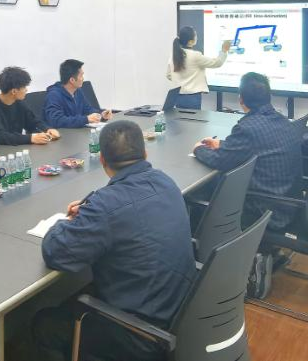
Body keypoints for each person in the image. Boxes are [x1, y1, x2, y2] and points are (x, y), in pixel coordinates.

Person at [33, 120, 196, 361]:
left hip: (139, 335)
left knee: (44, 324)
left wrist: (66, 222)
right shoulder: (166, 182)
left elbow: (55, 252)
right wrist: (91, 211)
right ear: (145, 154)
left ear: (102, 160)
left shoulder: (105, 206)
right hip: (180, 314)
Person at [193, 72, 302, 299]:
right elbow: (255, 146)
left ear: (241, 99)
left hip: (264, 209)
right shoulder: (284, 121)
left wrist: (199, 149)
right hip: (290, 203)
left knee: (202, 194)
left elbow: (221, 161)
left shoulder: (248, 128)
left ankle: (204, 260)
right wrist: (222, 144)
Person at [0, 67, 60, 145]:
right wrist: (30, 138)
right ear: (14, 91)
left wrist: (47, 129)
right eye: (24, 87)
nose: (26, 90)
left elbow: (33, 121)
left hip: (16, 147)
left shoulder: (19, 103)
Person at [167, 26, 231, 109]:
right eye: (195, 35)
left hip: (178, 97)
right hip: (192, 98)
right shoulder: (195, 56)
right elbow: (217, 63)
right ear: (190, 42)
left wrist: (180, 80)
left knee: (181, 117)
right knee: (193, 118)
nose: (197, 37)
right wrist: (224, 51)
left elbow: (169, 75)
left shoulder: (174, 55)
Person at [43, 59, 112, 128]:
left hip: (76, 131)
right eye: (81, 76)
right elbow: (57, 121)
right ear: (72, 80)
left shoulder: (77, 91)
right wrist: (85, 119)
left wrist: (101, 114)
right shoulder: (54, 95)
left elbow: (87, 109)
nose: (83, 78)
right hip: (63, 133)